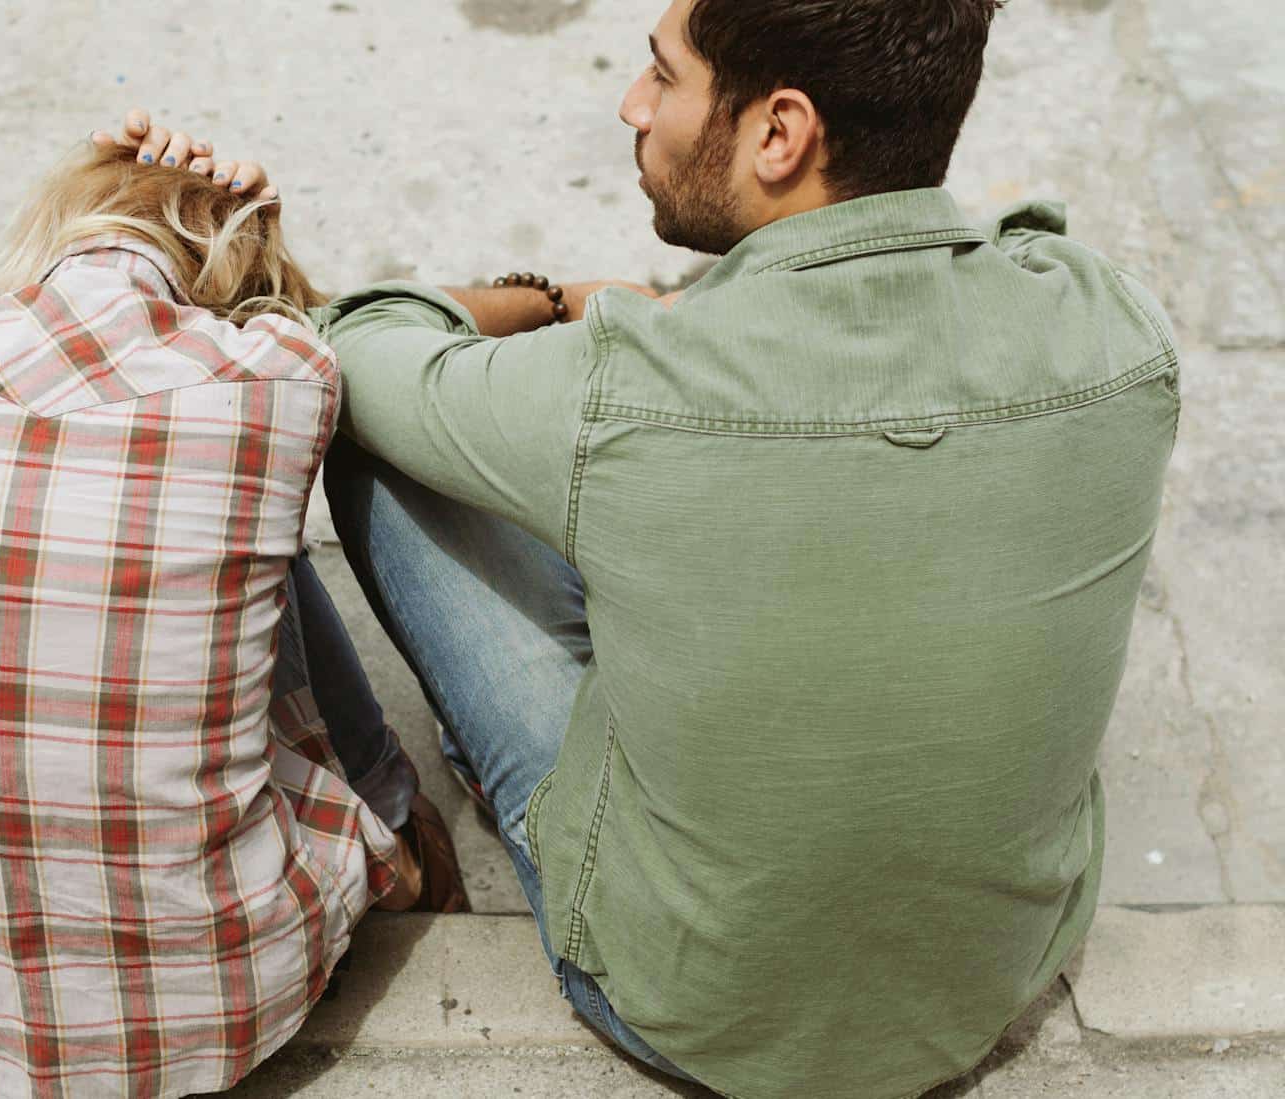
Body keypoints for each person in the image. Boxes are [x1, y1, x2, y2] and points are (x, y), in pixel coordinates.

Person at [116, 0, 1183, 1095]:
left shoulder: (626, 380)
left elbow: (354, 342)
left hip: (679, 1006)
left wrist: (560, 300)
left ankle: (445, 806)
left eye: (661, 77)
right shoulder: (1116, 329)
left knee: (387, 453)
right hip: (988, 987)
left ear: (779, 133)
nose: (632, 105)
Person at [0, 140, 466, 1099]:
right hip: (227, 1001)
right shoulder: (281, 378)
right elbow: (298, 330)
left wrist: (104, 174)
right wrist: (247, 219)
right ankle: (399, 825)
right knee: (245, 546)